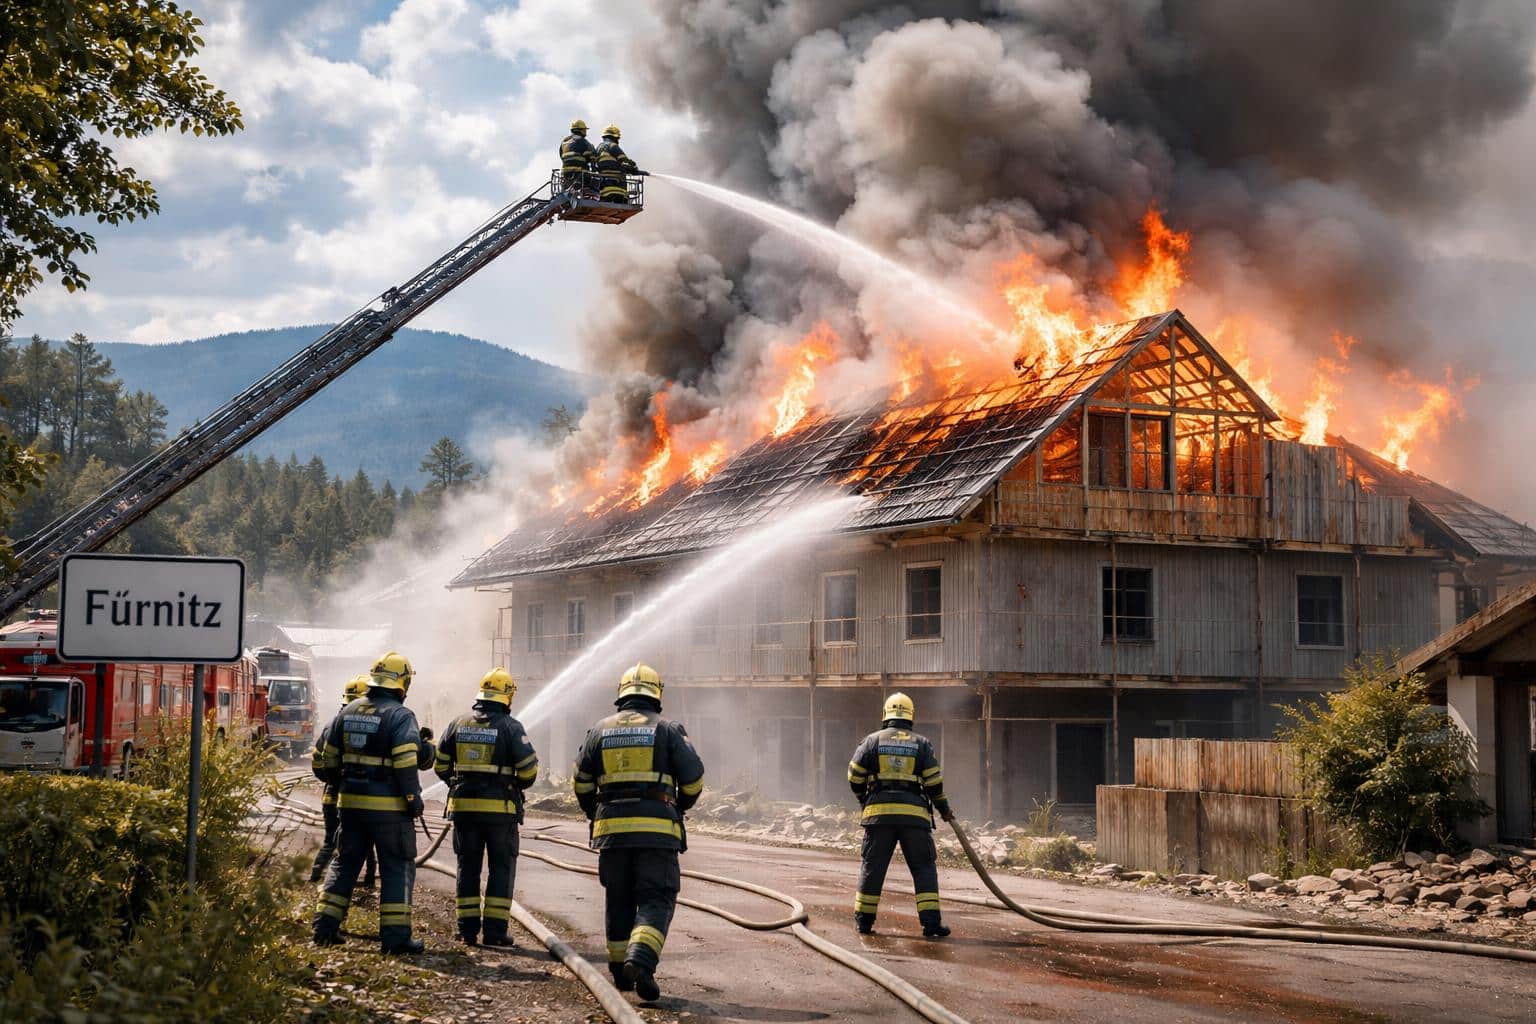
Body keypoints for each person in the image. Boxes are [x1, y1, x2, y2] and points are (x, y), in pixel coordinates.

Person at [573, 663, 703, 1001]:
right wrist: (679, 806)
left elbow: (582, 782)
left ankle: (620, 972)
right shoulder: (668, 730)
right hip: (656, 832)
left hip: (611, 834)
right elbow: (694, 780)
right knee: (656, 897)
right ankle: (641, 962)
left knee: (618, 899)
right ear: (656, 694)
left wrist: (595, 814)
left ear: (622, 694)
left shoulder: (599, 730)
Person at [313, 651, 433, 954]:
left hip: (350, 808)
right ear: (401, 682)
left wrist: (344, 784)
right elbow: (406, 761)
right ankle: (395, 939)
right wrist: (412, 798)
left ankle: (324, 928)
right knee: (396, 867)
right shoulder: (400, 716)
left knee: (344, 863)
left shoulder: (348, 711)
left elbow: (328, 762)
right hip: (390, 812)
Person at [433, 668, 539, 947]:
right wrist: (512, 783)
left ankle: (467, 931)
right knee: (500, 868)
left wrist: (459, 783)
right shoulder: (510, 727)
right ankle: (494, 931)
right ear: (506, 697)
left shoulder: (457, 723)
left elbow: (440, 764)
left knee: (467, 866)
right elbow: (529, 772)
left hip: (464, 810)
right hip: (500, 813)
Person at [847, 692, 953, 938]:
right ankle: (930, 925)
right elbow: (934, 782)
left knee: (873, 868)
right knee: (923, 868)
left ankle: (864, 922)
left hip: (879, 816)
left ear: (885, 715)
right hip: (914, 818)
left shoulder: (871, 741)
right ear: (910, 715)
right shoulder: (922, 744)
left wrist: (866, 799)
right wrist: (944, 809)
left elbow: (854, 776)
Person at [309, 674, 377, 888]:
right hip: (359, 798)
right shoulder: (372, 724)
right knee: (366, 841)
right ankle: (368, 881)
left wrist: (333, 780)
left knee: (331, 839)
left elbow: (318, 763)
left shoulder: (333, 724)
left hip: (331, 796)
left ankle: (315, 874)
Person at [594, 123, 639, 204]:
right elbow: (624, 161)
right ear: (614, 137)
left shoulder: (598, 148)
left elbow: (597, 164)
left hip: (603, 188)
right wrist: (633, 166)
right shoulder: (613, 146)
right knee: (622, 201)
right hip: (617, 186)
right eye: (617, 138)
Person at [560, 118, 596, 193]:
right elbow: (591, 157)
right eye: (584, 130)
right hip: (579, 176)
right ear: (581, 130)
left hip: (565, 175)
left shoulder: (564, 141)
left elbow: (561, 156)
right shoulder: (584, 142)